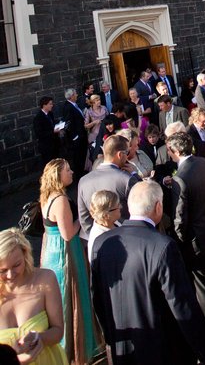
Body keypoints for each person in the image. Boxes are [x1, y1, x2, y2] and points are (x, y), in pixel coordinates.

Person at [91, 180, 205, 365]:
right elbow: (181, 303)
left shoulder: (101, 243)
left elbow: (98, 298)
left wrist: (111, 338)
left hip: (123, 347)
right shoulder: (162, 246)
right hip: (162, 349)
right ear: (158, 207)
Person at [166, 133, 205, 334]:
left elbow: (179, 217)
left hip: (194, 238)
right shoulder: (203, 163)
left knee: (201, 284)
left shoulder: (180, 179)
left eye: (169, 151)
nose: (168, 154)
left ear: (176, 152)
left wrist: (180, 239)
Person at [39, 159, 101, 363]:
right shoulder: (60, 200)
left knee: (61, 296)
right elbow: (68, 233)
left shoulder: (45, 197)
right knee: (75, 294)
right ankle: (78, 347)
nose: (72, 172)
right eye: (68, 170)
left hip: (51, 251)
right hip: (66, 252)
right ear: (58, 176)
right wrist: (86, 218)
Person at [0, 228, 67, 365]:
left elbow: (58, 331)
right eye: (3, 270)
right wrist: (16, 359)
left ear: (25, 255)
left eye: (16, 265)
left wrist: (40, 338)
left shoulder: (45, 279)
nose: (10, 275)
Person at [77, 134, 138, 239]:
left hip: (95, 238)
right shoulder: (127, 179)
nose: (127, 156)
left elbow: (84, 217)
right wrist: (135, 175)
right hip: (125, 239)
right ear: (120, 154)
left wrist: (94, 237)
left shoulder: (83, 181)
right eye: (126, 152)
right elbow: (140, 208)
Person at [87, 190, 121, 263]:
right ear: (106, 215)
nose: (120, 207)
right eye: (117, 206)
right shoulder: (98, 239)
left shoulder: (115, 223)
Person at [33, 97, 61, 168]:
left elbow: (52, 125)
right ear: (44, 105)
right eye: (50, 104)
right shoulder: (38, 118)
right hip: (47, 147)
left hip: (55, 144)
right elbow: (39, 134)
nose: (52, 105)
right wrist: (53, 131)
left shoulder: (50, 114)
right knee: (50, 166)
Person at [83, 94, 108, 165]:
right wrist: (94, 122)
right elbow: (86, 126)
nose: (99, 101)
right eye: (97, 100)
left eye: (99, 100)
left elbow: (109, 118)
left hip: (105, 132)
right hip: (95, 134)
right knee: (96, 152)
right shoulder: (89, 111)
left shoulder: (104, 108)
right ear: (93, 102)